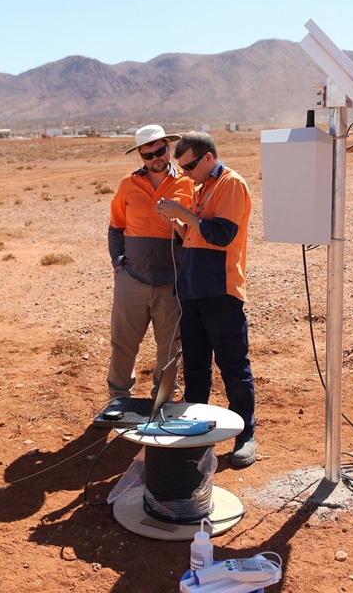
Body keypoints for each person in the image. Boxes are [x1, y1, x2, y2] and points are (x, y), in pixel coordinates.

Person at [156, 131, 256, 467]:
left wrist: (186, 216)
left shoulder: (231, 184)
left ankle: (245, 434)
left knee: (233, 367)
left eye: (189, 166)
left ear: (208, 158)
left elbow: (222, 234)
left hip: (220, 291)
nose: (184, 173)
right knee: (195, 367)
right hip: (193, 291)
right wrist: (180, 221)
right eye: (181, 167)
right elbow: (196, 236)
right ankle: (193, 432)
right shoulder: (201, 188)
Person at [107, 124, 194, 402]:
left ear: (169, 147)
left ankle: (164, 398)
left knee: (170, 345)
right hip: (132, 279)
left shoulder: (187, 183)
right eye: (149, 155)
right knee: (123, 342)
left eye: (160, 151)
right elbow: (115, 225)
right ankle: (119, 397)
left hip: (171, 280)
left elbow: (195, 230)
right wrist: (118, 262)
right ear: (140, 156)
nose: (156, 158)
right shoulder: (128, 184)